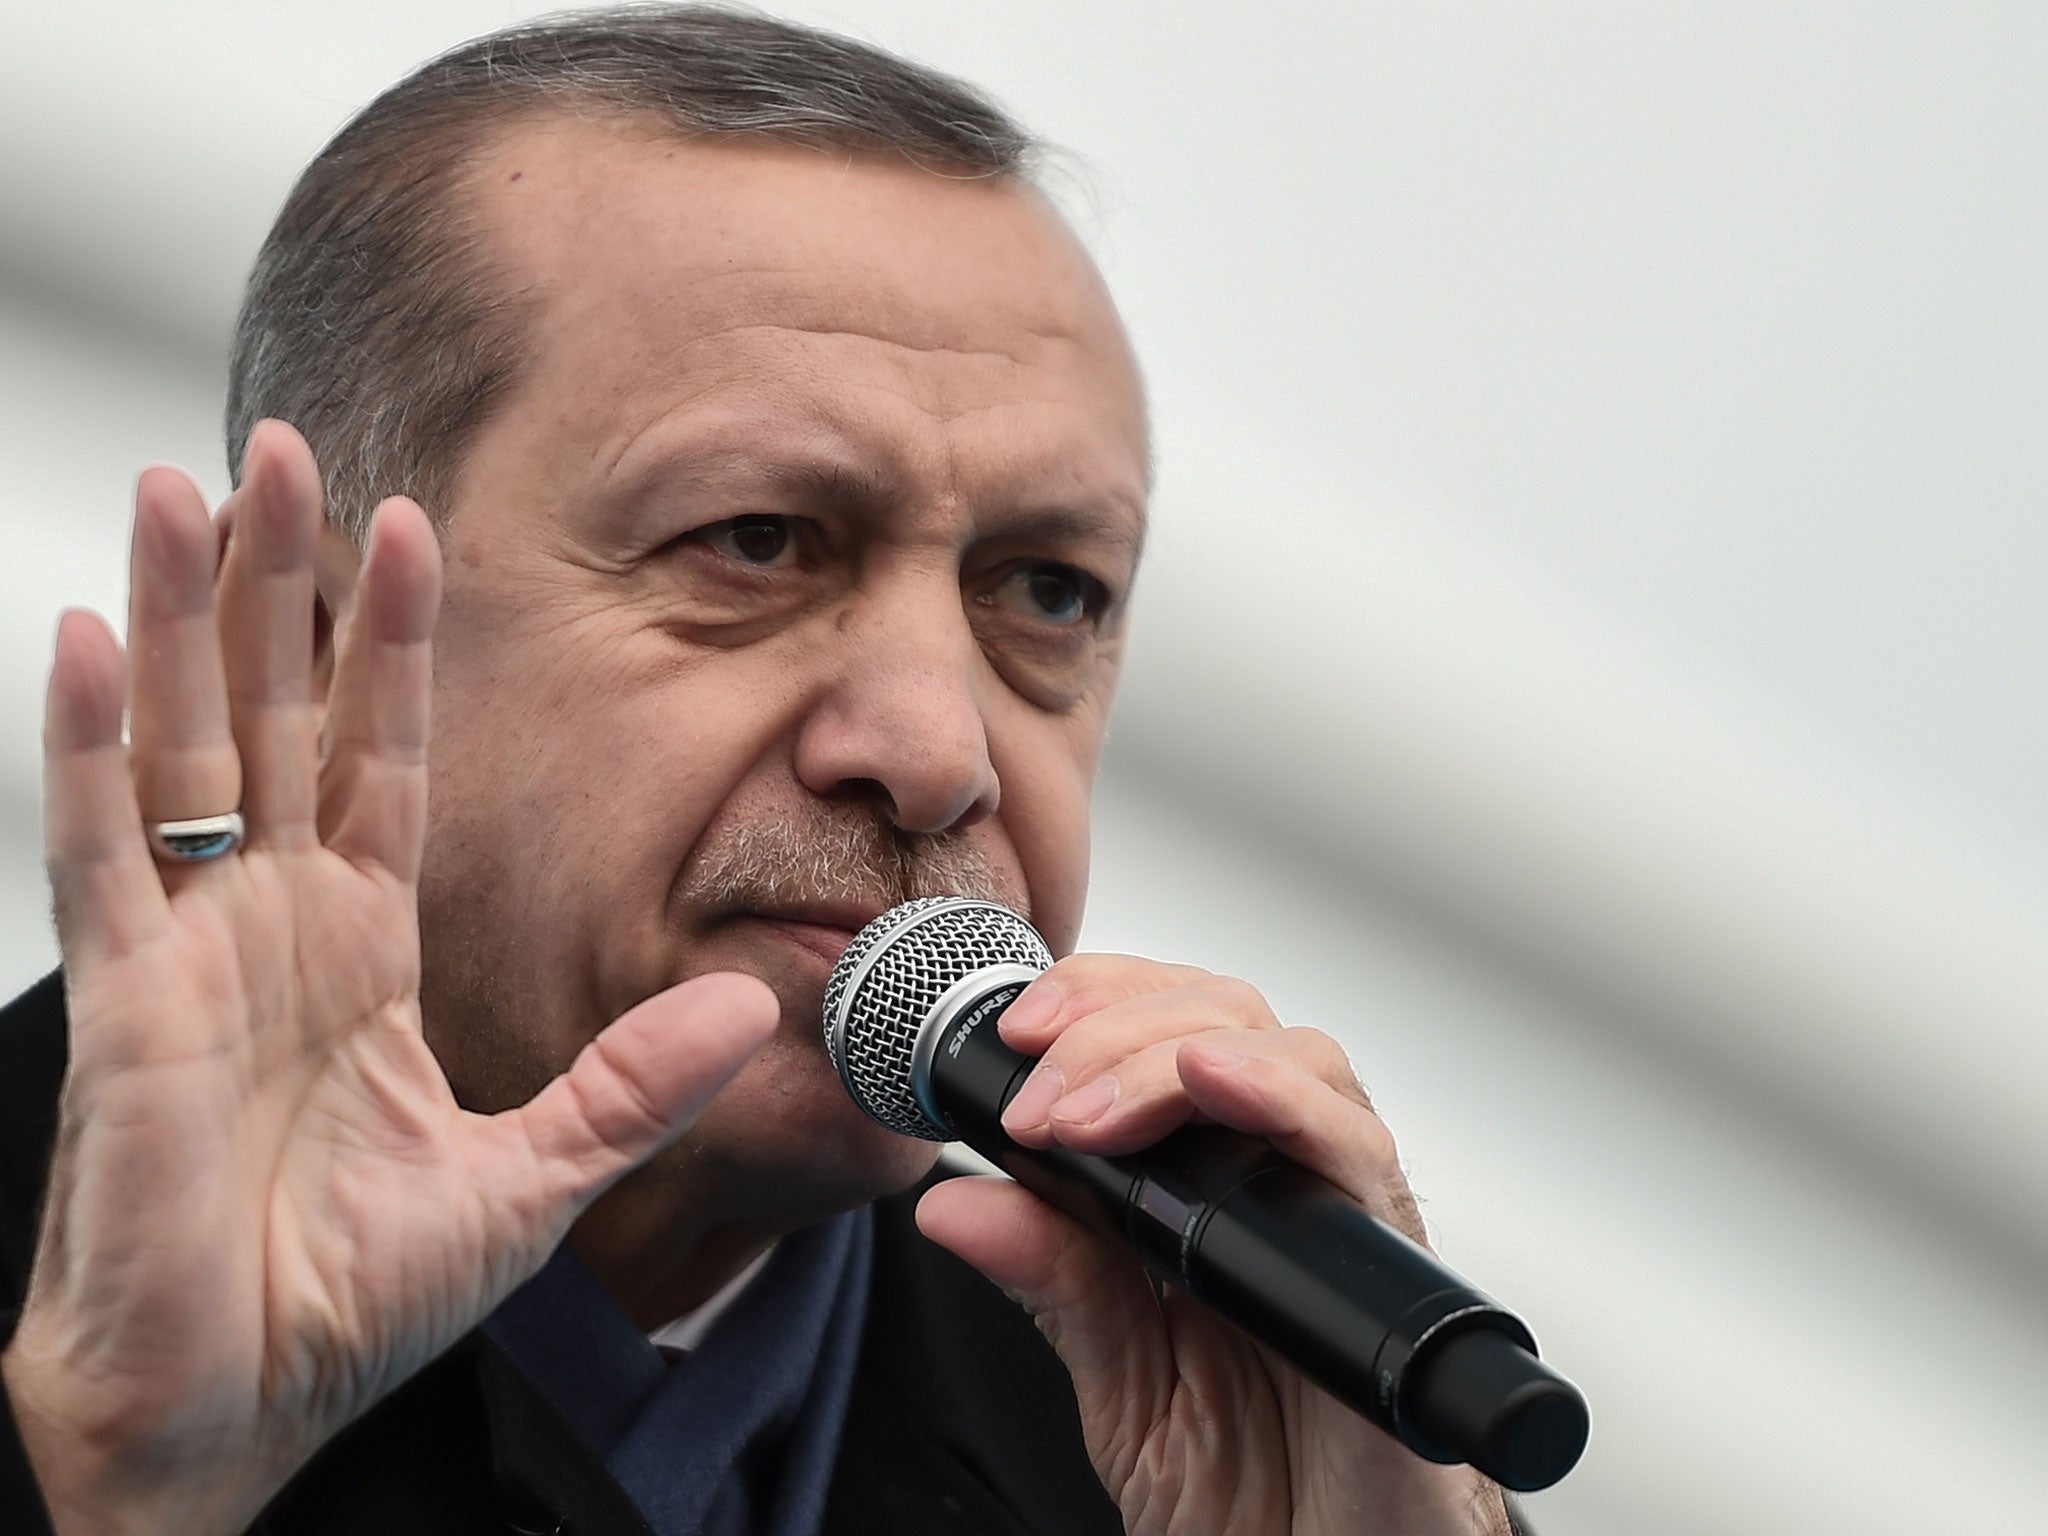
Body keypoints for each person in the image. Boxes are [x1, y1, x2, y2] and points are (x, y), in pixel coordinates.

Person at [0, 8, 1526, 1534]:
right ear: (319, 646)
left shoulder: (1219, 1424)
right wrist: (108, 1488)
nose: (937, 757)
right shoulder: (69, 1386)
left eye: (1049, 590)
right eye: (755, 541)